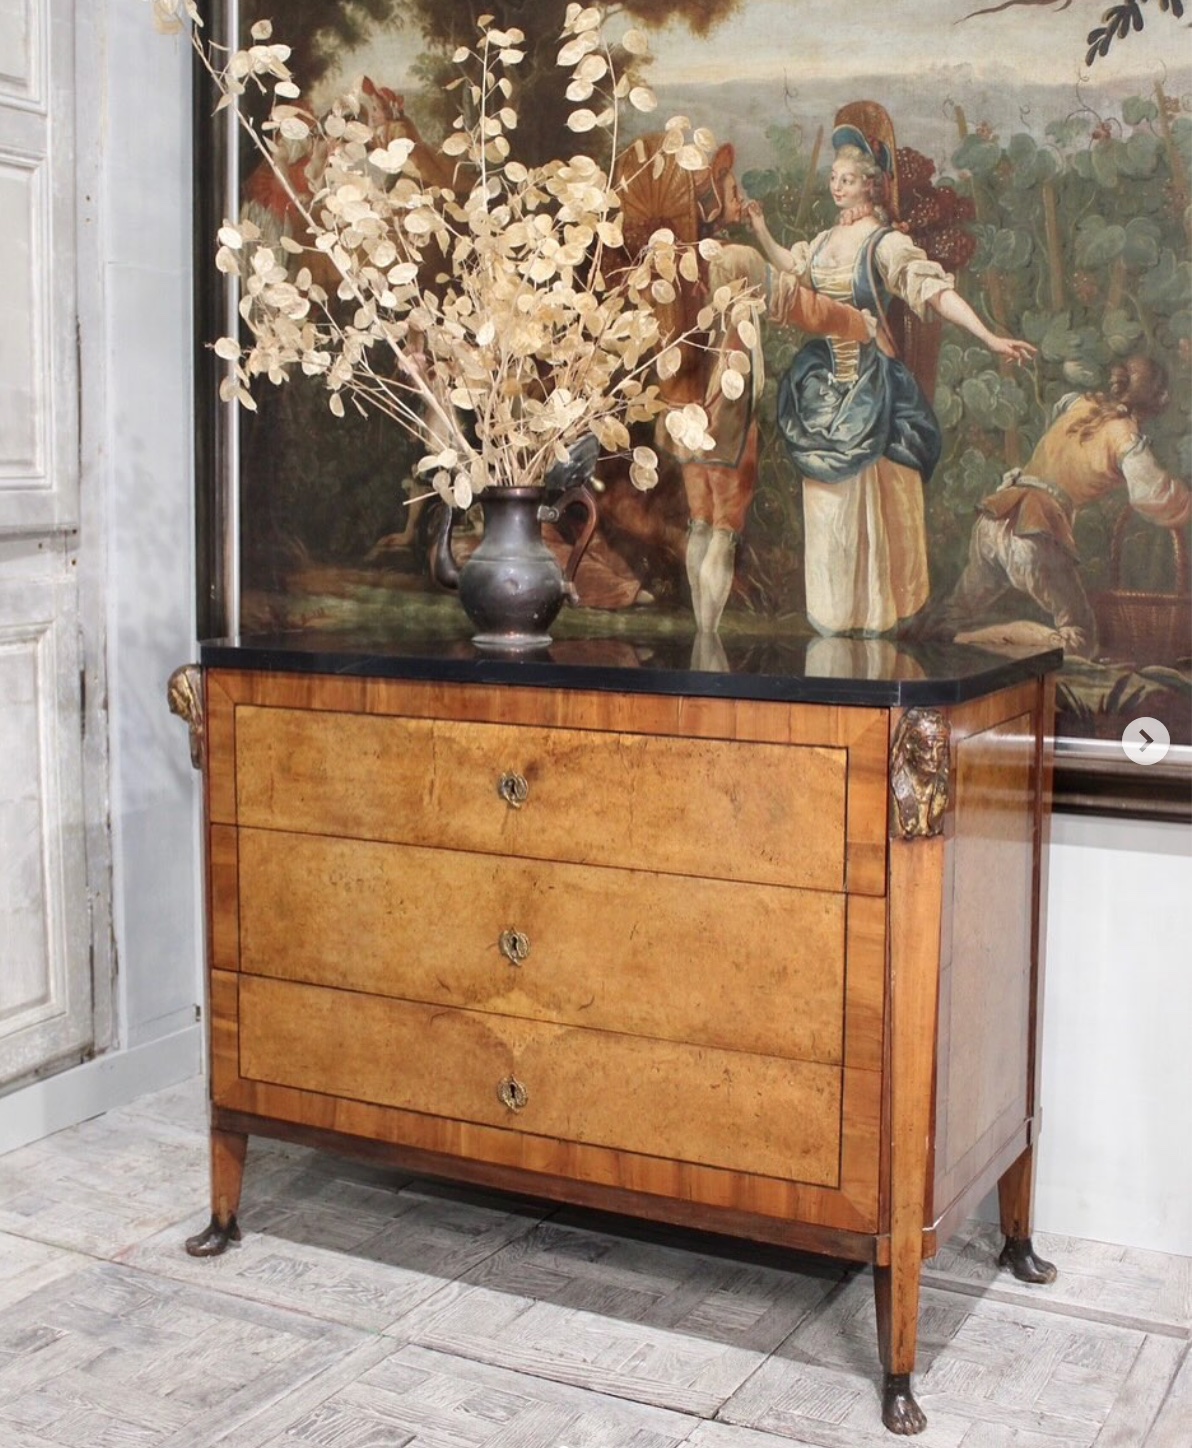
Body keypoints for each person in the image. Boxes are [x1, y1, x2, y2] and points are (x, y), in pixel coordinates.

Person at [745, 101, 1036, 638]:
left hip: (872, 387)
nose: (837, 186)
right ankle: (834, 617)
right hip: (824, 386)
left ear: (870, 186)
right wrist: (761, 229)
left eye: (848, 179)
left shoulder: (887, 244)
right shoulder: (828, 241)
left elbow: (936, 292)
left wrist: (991, 336)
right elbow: (792, 267)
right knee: (830, 509)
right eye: (834, 177)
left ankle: (874, 615)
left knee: (873, 503)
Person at [932, 355, 1191, 656]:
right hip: (1034, 533)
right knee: (1081, 638)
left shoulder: (1077, 403)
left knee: (957, 612)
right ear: (1154, 402)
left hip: (996, 516)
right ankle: (972, 640)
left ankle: (948, 635)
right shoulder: (1126, 437)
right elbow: (1154, 495)